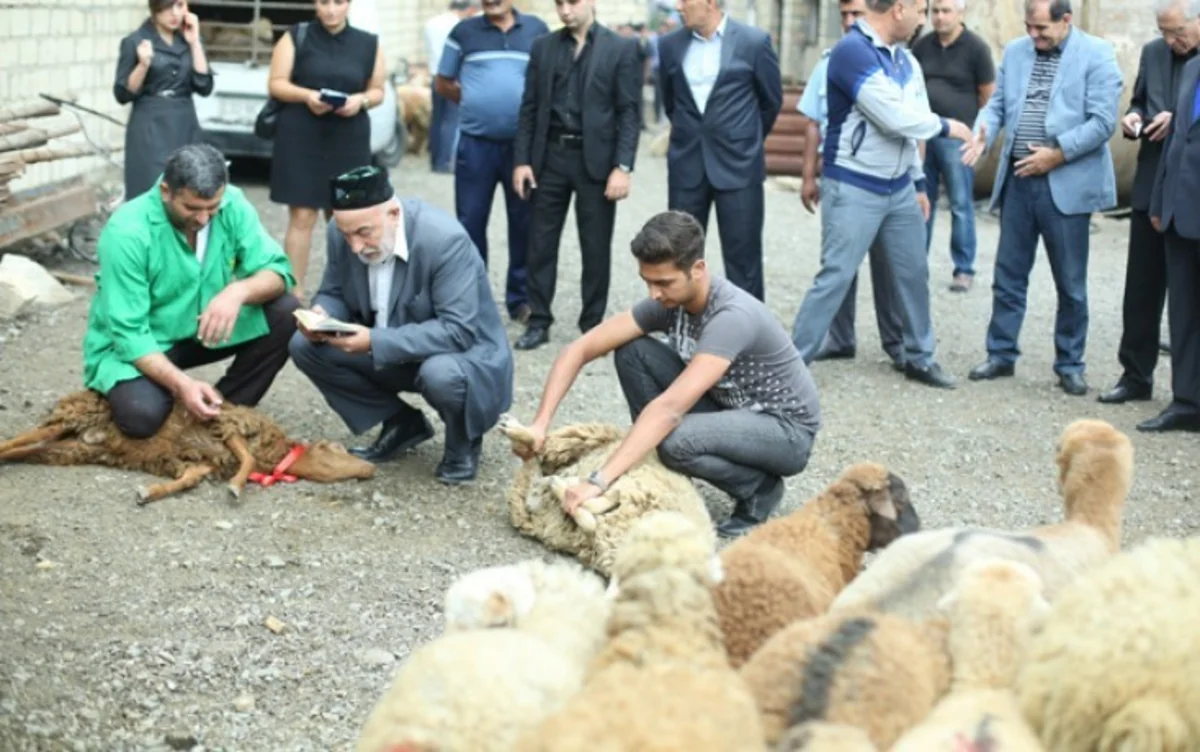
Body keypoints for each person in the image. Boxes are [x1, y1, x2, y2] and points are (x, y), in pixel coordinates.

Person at [515, 210, 821, 539]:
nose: (654, 294)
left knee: (674, 441)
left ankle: (759, 489)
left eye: (663, 282)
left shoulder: (730, 317)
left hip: (785, 431)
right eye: (648, 282)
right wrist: (540, 424)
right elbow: (579, 349)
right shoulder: (669, 302)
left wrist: (597, 481)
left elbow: (669, 410)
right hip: (732, 411)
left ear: (698, 269)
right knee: (632, 352)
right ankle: (662, 473)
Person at [288, 166, 515, 483]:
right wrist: (323, 313)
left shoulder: (445, 241)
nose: (354, 246)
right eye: (346, 235)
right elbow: (334, 290)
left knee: (441, 375)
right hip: (390, 345)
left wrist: (374, 341)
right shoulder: (341, 233)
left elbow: (458, 331)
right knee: (305, 347)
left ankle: (463, 440)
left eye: (364, 233)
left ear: (394, 213)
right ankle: (401, 422)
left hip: (462, 356)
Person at [790, 0, 970, 389]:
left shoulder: (906, 61)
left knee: (913, 273)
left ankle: (920, 357)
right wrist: (949, 126)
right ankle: (789, 363)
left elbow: (911, 130)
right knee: (835, 275)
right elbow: (894, 117)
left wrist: (919, 183)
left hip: (900, 187)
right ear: (899, 9)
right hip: (854, 184)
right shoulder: (851, 52)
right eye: (922, 10)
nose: (926, 19)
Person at [83, 144, 299, 439]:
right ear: (165, 192)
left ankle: (224, 410)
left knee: (286, 312)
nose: (203, 219)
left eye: (212, 208)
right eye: (192, 209)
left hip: (201, 328)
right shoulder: (127, 232)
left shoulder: (232, 203)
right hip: (145, 343)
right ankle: (184, 397)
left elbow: (278, 271)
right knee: (141, 417)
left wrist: (237, 292)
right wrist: (182, 384)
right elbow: (129, 333)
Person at [963, 0, 1122, 396]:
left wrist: (1058, 154)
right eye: (1029, 27)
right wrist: (982, 131)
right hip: (1018, 178)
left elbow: (1103, 122)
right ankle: (1001, 354)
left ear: (1066, 20)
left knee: (1070, 283)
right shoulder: (1017, 51)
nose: (1033, 36)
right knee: (1008, 275)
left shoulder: (1098, 54)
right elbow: (997, 105)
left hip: (1065, 183)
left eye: (1042, 29)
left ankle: (1070, 363)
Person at [510, 0, 643, 351]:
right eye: (559, 4)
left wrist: (623, 166)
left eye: (572, 2)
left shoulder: (621, 48)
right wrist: (522, 161)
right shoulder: (544, 47)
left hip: (596, 162)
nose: (565, 10)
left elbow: (629, 112)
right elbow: (529, 107)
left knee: (595, 246)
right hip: (549, 157)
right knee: (540, 243)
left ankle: (592, 326)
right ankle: (538, 320)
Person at [1099, 0, 1200, 406]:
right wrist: (1134, 118)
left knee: (1187, 298)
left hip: (1190, 193)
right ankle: (1135, 376)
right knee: (1140, 289)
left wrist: (1178, 120)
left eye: (1177, 31)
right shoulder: (1153, 53)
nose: (1170, 40)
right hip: (1150, 185)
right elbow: (1140, 100)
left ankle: (1188, 390)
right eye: (1163, 32)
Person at [797, 0, 905, 369]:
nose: (849, 21)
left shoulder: (894, 61)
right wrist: (808, 175)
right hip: (841, 174)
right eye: (843, 14)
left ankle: (897, 343)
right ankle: (840, 337)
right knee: (838, 262)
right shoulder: (828, 61)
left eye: (856, 14)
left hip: (885, 176)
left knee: (889, 263)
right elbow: (813, 122)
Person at [656, 0, 783, 301]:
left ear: (710, 3)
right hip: (687, 166)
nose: (678, 6)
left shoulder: (753, 42)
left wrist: (743, 140)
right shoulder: (669, 45)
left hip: (738, 168)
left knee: (744, 259)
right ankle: (682, 331)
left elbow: (770, 102)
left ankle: (749, 337)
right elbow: (672, 102)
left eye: (684, 0)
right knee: (679, 256)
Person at [435, 0, 549, 323]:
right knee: (470, 222)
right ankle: (474, 299)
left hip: (522, 149)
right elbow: (443, 82)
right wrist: (474, 102)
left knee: (524, 222)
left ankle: (520, 299)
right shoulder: (463, 32)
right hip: (475, 145)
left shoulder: (537, 30)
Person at [266, 0, 388, 299]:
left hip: (349, 136)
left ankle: (348, 294)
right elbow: (276, 84)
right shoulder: (296, 35)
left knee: (345, 219)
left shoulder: (368, 42)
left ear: (348, 4)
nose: (331, 10)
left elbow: (378, 91)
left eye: (338, 2)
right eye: (324, 3)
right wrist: (308, 96)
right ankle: (293, 297)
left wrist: (360, 101)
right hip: (302, 134)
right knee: (302, 216)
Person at [910, 0, 995, 292]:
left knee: (960, 203)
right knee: (922, 200)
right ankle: (915, 267)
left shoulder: (977, 49)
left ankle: (964, 268)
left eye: (946, 11)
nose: (940, 17)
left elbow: (988, 96)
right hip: (924, 135)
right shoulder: (922, 47)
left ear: (962, 13)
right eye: (935, 11)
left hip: (956, 138)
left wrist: (976, 135)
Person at [1144, 36, 1200, 433]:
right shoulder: (1193, 68)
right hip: (1180, 212)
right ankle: (1187, 400)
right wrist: (1160, 200)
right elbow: (1178, 138)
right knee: (1183, 314)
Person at [113, 0, 213, 199]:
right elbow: (123, 94)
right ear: (154, 8)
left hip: (185, 122)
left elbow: (204, 86)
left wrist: (194, 43)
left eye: (181, 5)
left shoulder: (189, 39)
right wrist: (143, 64)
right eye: (168, 7)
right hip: (150, 125)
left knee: (189, 190)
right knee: (150, 191)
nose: (175, 13)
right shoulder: (135, 41)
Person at [424, 0, 480, 173]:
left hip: (434, 75)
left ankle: (434, 158)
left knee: (437, 119)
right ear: (468, 9)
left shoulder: (431, 23)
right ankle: (444, 161)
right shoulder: (459, 26)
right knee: (451, 120)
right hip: (452, 78)